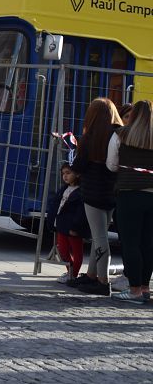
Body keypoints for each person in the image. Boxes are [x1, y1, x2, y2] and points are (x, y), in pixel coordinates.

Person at [69, 97, 122, 296]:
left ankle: (102, 281)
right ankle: (92, 275)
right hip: (111, 192)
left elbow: (78, 167)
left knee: (99, 238)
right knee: (99, 233)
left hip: (92, 192)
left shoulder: (90, 137)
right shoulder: (117, 135)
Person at [106, 98, 153, 304]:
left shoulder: (120, 135)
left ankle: (133, 289)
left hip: (128, 193)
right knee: (149, 243)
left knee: (130, 243)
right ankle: (144, 287)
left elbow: (111, 165)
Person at [46, 163, 88, 285]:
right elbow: (56, 205)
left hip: (73, 227)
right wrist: (52, 221)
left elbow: (80, 212)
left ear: (78, 174)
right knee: (63, 250)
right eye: (63, 173)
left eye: (68, 173)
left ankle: (73, 274)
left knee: (76, 251)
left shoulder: (81, 192)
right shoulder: (63, 189)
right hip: (61, 225)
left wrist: (76, 226)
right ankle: (70, 271)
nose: (65, 176)